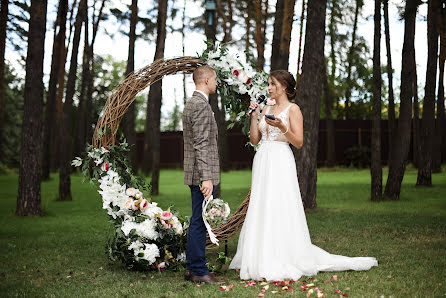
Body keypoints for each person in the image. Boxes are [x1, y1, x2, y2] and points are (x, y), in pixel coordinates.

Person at [229, 70, 378, 281]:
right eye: (269, 84)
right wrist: (254, 116)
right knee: (262, 204)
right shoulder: (267, 107)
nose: (269, 87)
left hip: (281, 159)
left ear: (284, 86)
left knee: (279, 204)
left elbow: (298, 141)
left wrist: (282, 127)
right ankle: (259, 255)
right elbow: (254, 140)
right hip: (263, 159)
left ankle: (283, 254)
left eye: (272, 84)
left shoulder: (293, 109)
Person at [182, 65, 226, 284]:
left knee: (197, 220)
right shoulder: (199, 105)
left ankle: (192, 268)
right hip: (202, 175)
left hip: (198, 173)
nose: (217, 82)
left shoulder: (195, 103)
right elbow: (200, 144)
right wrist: (206, 178)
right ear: (207, 80)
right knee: (200, 221)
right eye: (215, 79)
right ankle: (199, 270)